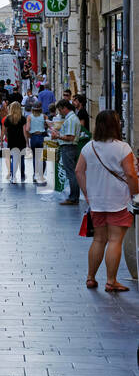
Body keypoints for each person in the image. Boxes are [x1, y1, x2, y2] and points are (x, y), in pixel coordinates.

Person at [76, 111, 138, 293]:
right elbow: (130, 174)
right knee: (115, 240)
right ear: (115, 125)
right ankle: (111, 281)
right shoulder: (122, 148)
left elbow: (79, 171)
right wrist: (135, 192)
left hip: (97, 201)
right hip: (119, 201)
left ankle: (90, 277)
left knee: (98, 239)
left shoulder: (89, 147)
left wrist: (87, 193)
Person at [54, 98, 82, 204]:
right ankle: (74, 196)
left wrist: (58, 136)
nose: (60, 113)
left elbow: (70, 137)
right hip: (70, 148)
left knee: (71, 174)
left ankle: (73, 197)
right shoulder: (72, 118)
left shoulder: (71, 120)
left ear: (65, 108)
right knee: (72, 173)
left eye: (60, 110)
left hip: (68, 148)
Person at [3, 100, 28, 184]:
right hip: (21, 141)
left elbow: (5, 131)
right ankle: (22, 176)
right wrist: (27, 142)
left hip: (12, 141)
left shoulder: (7, 119)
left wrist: (7, 137)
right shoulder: (23, 119)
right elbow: (25, 131)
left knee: (14, 158)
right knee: (21, 159)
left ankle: (13, 177)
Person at [27, 100, 48, 184]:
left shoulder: (29, 117)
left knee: (35, 157)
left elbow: (27, 129)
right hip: (42, 137)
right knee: (43, 157)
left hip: (34, 137)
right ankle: (41, 175)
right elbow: (50, 125)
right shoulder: (44, 116)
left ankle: (35, 175)